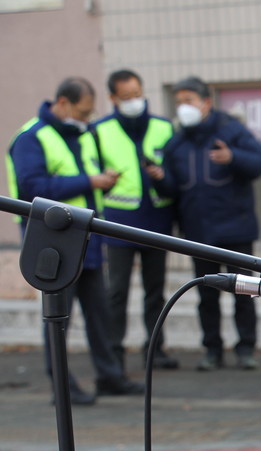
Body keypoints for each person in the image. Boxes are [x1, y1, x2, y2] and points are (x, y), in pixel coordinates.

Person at [7, 77, 144, 405]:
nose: (86, 119)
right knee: (58, 317)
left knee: (99, 314)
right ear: (63, 103)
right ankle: (63, 388)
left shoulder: (80, 135)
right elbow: (31, 189)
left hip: (87, 238)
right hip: (52, 244)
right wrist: (89, 180)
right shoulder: (32, 137)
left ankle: (109, 376)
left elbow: (83, 184)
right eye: (82, 112)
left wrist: (102, 183)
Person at [157, 76, 261, 371]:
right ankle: (212, 350)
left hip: (236, 229)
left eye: (189, 101)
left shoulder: (230, 130)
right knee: (206, 295)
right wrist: (159, 179)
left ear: (206, 102)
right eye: (179, 102)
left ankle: (246, 348)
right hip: (198, 233)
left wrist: (233, 157)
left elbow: (259, 162)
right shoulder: (176, 143)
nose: (184, 108)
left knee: (244, 292)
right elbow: (171, 189)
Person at [93, 69, 179, 371]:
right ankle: (114, 353)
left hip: (156, 221)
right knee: (116, 292)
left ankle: (155, 350)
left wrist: (162, 177)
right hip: (117, 224)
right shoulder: (99, 131)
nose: (134, 102)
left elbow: (176, 175)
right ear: (113, 98)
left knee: (155, 292)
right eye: (127, 97)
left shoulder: (163, 127)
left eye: (138, 94)